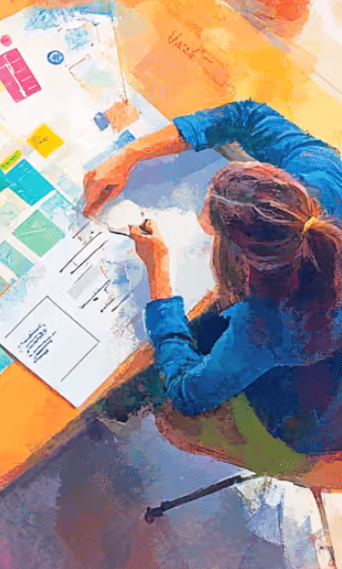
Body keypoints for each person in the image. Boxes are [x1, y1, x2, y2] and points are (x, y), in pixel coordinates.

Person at [82, 100, 342, 461]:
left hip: (316, 416)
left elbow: (190, 394)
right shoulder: (324, 173)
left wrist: (159, 277)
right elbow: (248, 115)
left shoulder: (267, 325)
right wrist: (131, 154)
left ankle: (128, 400)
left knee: (180, 360)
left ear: (242, 262)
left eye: (212, 228)